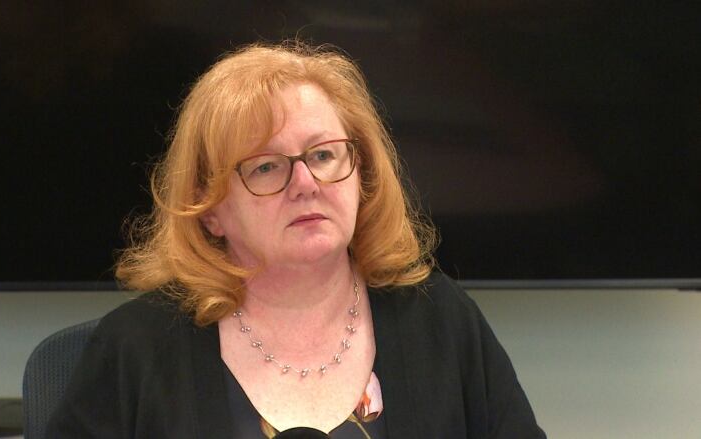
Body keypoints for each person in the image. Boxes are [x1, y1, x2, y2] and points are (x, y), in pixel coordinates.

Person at [46, 41, 546, 438]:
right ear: (211, 209)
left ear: (361, 174)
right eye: (266, 167)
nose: (306, 183)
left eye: (324, 155)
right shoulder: (133, 350)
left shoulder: (440, 319)